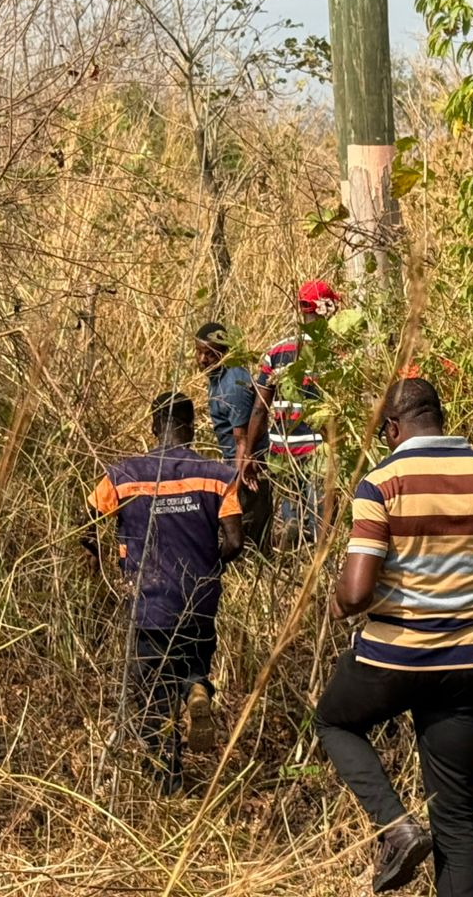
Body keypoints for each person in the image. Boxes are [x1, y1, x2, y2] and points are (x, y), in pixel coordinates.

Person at [314, 378, 473, 896]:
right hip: (469, 667)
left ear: (393, 428)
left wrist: (336, 601)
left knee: (333, 722)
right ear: (440, 416)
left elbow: (355, 593)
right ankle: (413, 833)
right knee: (457, 824)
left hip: (393, 661)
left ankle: (395, 828)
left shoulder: (382, 482)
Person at [84, 392, 243, 794]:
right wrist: (211, 561)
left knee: (151, 697)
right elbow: (236, 542)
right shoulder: (217, 475)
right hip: (200, 600)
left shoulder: (123, 475)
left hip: (149, 601)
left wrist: (104, 565)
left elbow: (83, 526)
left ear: (154, 427)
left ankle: (167, 783)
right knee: (190, 663)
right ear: (192, 428)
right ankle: (196, 687)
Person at [240, 279, 341, 548]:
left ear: (301, 309)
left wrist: (250, 454)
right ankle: (321, 579)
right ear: (326, 308)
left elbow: (261, 407)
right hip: (319, 450)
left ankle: (292, 579)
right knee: (322, 527)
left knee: (292, 522)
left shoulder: (276, 352)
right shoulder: (334, 352)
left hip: (282, 450)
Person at [194, 322, 273, 550]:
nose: (202, 360)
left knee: (248, 541)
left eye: (209, 353)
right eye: (198, 352)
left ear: (224, 351)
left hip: (247, 471)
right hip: (234, 465)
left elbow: (243, 441)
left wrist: (233, 490)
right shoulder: (217, 379)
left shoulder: (232, 385)